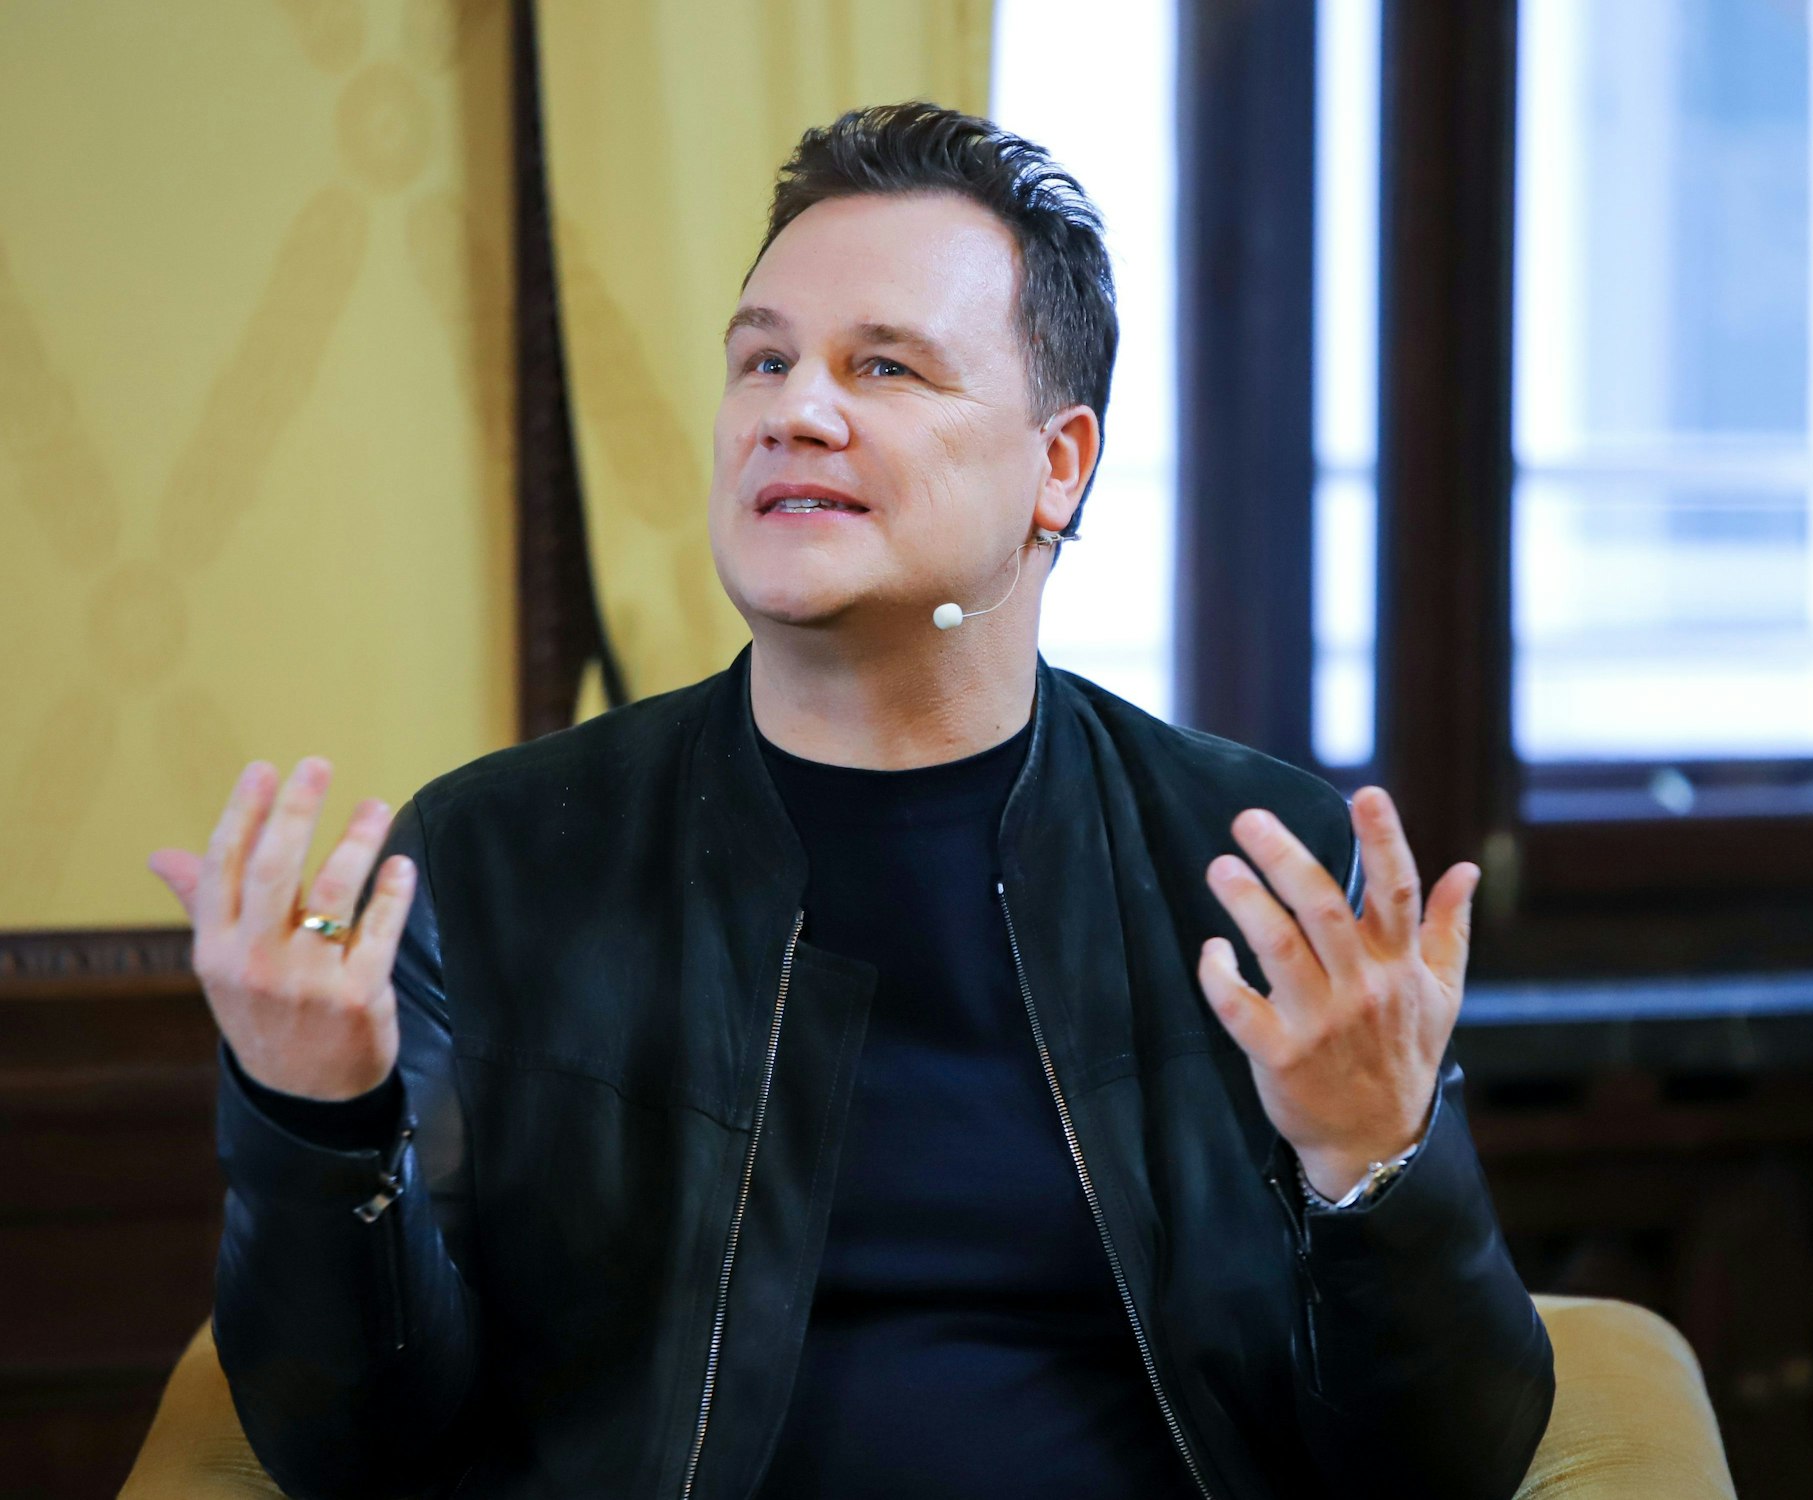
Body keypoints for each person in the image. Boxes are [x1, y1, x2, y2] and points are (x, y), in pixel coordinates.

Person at [148, 102, 1553, 1500]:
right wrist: (317, 1122)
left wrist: (1377, 1165)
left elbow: (1449, 1468)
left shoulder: (1255, 869)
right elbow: (351, 1451)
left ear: (1057, 465)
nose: (793, 411)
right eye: (762, 361)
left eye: (883, 368)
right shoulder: (498, 858)